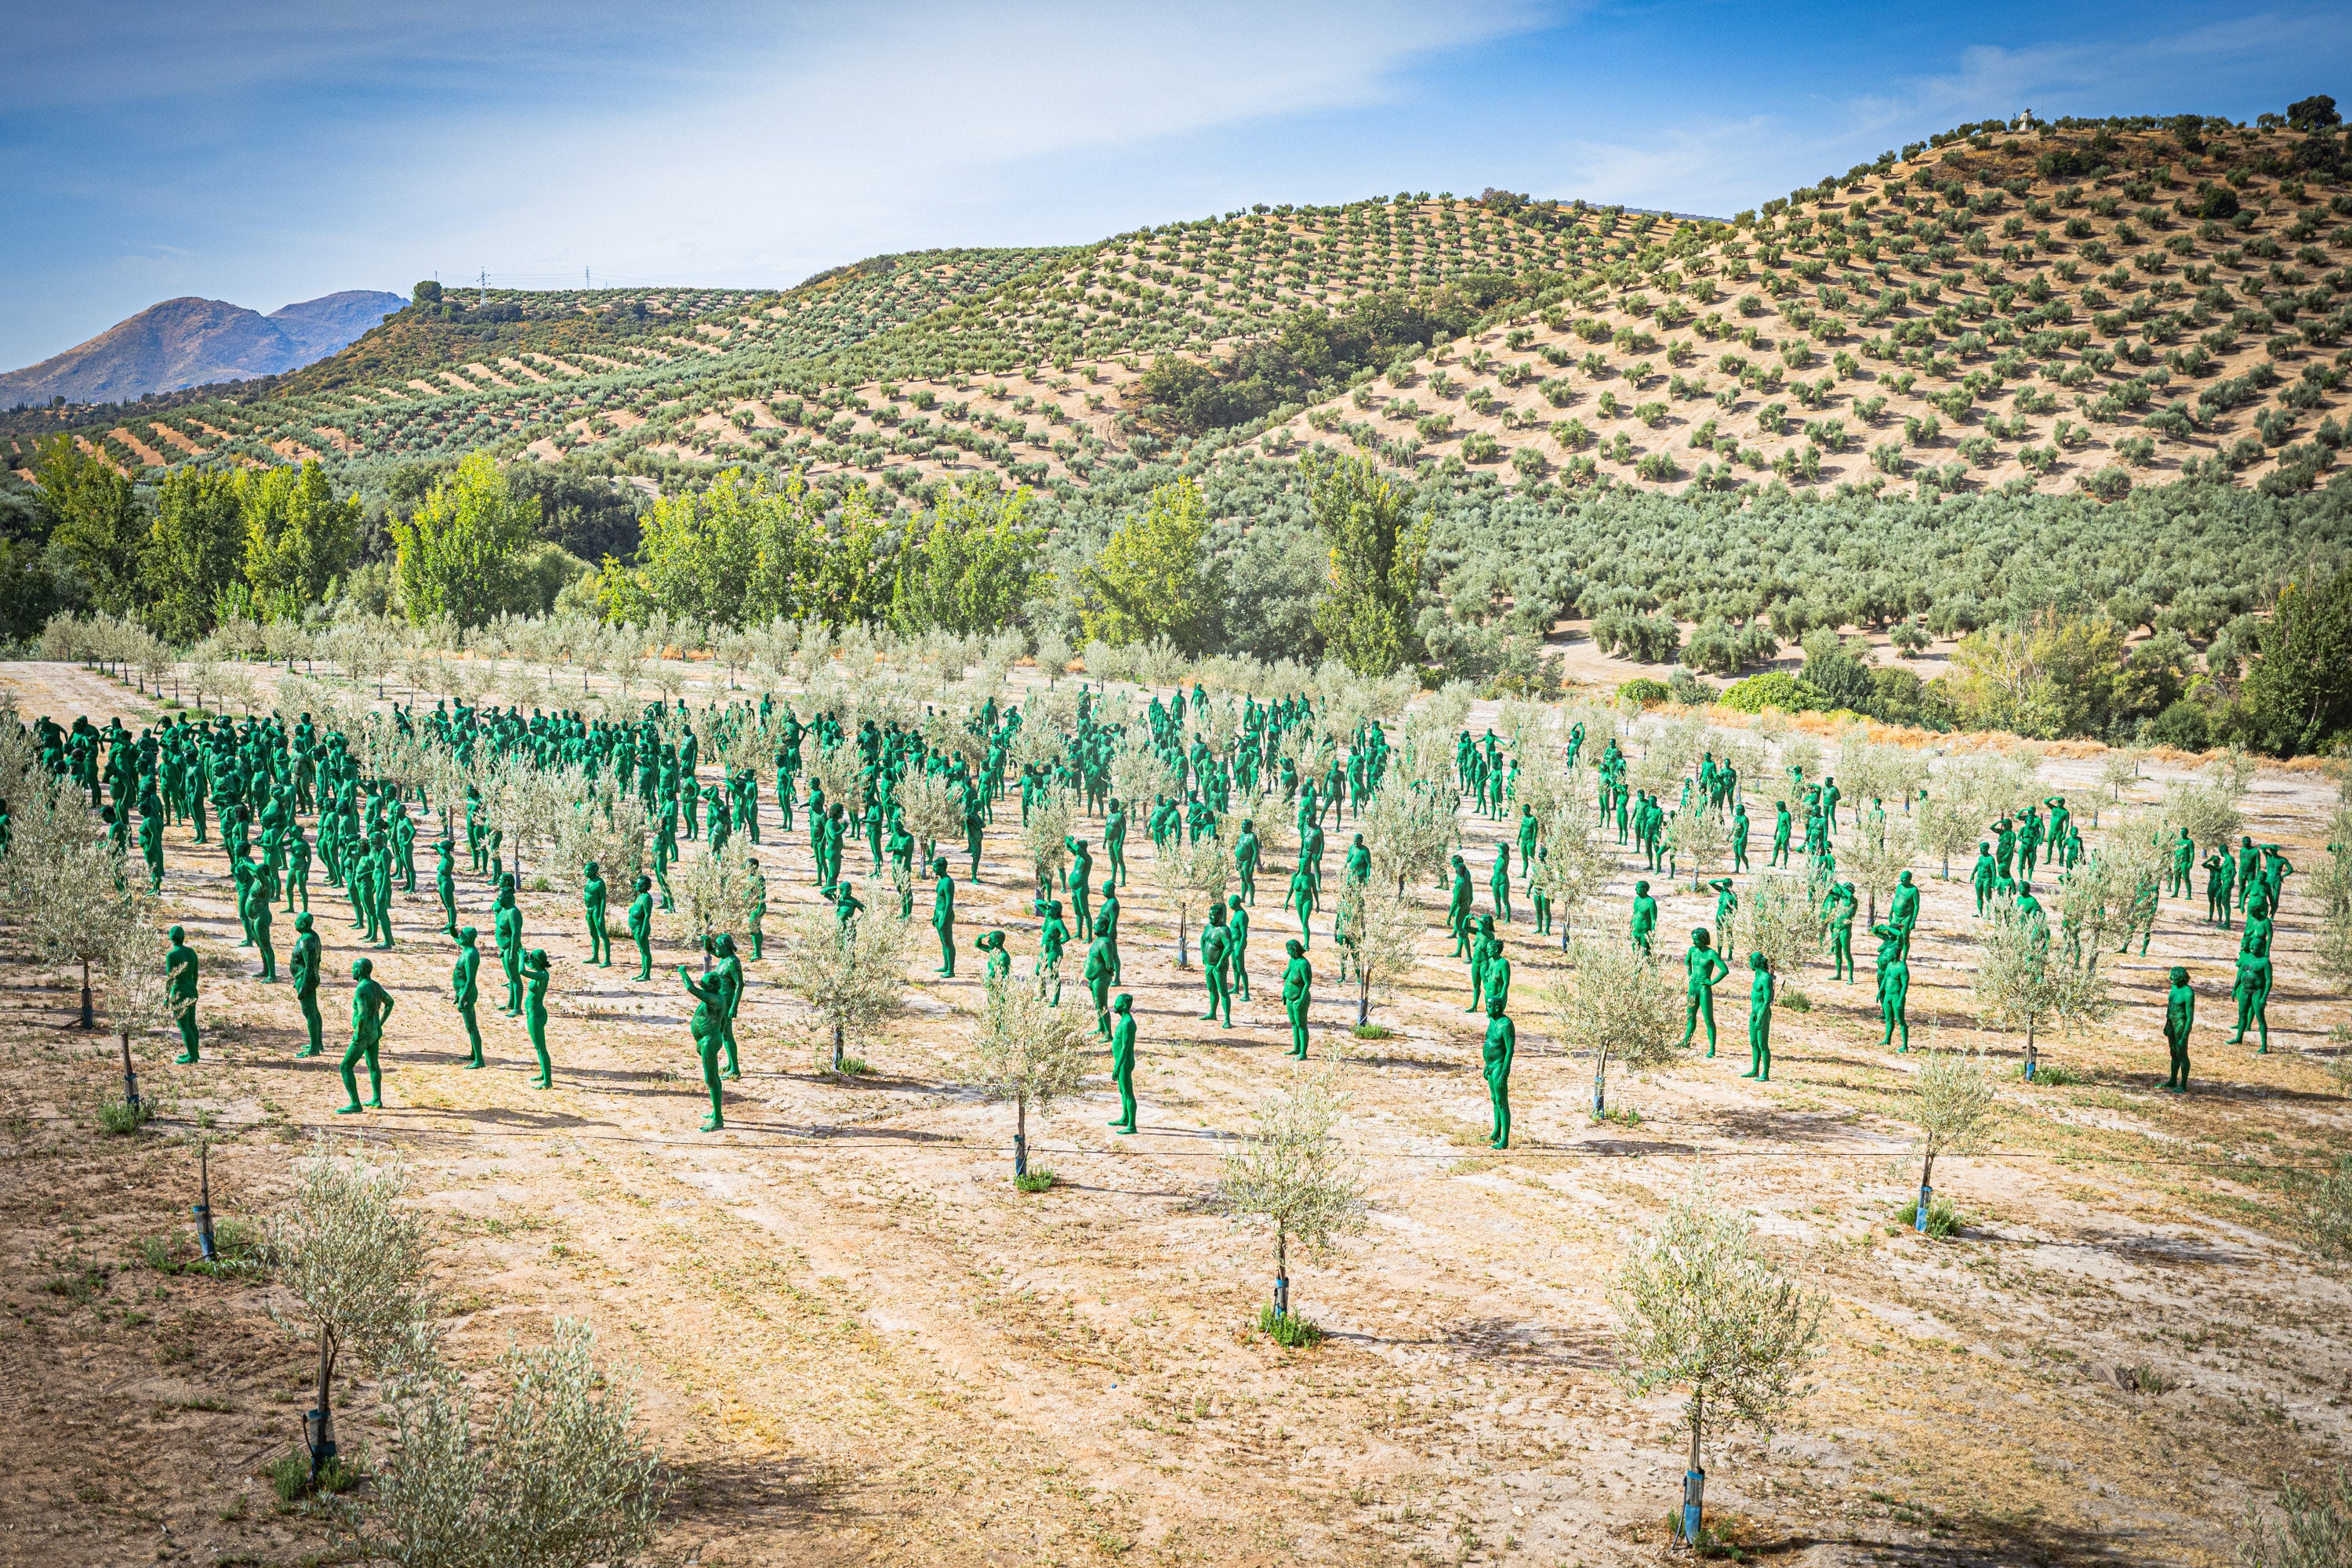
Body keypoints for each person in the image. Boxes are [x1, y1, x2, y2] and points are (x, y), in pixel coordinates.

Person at [335, 957, 396, 1114]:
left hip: (364, 1033)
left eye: (354, 968)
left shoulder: (361, 989)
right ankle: (377, 1099)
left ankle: (355, 1104)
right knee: (373, 1065)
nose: (352, 971)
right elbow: (389, 1002)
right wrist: (380, 1024)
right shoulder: (375, 985)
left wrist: (358, 1034)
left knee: (346, 1066)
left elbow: (362, 1015)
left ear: (360, 970)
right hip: (374, 1031)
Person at [677, 962, 728, 1131]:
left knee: (711, 1079)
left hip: (709, 1041)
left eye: (704, 982)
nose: (701, 983)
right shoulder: (716, 996)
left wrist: (683, 971)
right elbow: (724, 1021)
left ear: (712, 986)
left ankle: (718, 1120)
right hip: (709, 1040)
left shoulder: (714, 998)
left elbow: (691, 988)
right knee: (714, 1078)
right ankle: (716, 1113)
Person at [1679, 927, 1730, 1055]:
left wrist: (1711, 982)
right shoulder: (1692, 950)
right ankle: (1686, 1041)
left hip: (1703, 989)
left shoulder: (1711, 954)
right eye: (1693, 939)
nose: (1694, 942)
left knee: (1708, 1020)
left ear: (1703, 939)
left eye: (1696, 940)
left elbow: (1724, 970)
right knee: (1690, 1017)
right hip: (1692, 988)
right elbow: (1687, 962)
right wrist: (1689, 974)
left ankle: (1712, 1049)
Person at [1483, 995, 1515, 1149]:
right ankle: (1496, 1132)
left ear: (1497, 1007)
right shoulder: (1492, 1021)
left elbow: (1509, 1051)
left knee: (1502, 1102)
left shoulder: (1506, 1025)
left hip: (1499, 1067)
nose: (1486, 1009)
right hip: (1490, 1066)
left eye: (1489, 1006)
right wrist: (1486, 1064)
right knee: (1495, 1099)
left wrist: (1504, 1073)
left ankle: (1505, 1139)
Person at [1873, 920, 1911, 1051]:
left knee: (1900, 1021)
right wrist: (1880, 992)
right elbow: (1885, 980)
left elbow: (1905, 985)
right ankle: (1887, 1039)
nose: (1888, 954)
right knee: (1889, 1019)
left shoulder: (1902, 967)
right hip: (1888, 994)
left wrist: (1901, 999)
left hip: (1896, 996)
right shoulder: (1889, 965)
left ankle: (1905, 1046)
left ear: (1896, 953)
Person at [289, 912, 324, 1058]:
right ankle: (317, 1042)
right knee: (314, 1011)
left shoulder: (305, 941)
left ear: (303, 924)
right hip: (309, 977)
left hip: (305, 978)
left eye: (297, 921)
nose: (295, 923)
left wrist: (303, 986)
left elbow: (309, 965)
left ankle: (314, 1048)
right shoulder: (313, 936)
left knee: (309, 1012)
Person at [452, 926, 485, 1069]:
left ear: (468, 938)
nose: (460, 937)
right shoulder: (466, 948)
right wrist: (452, 929)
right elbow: (456, 939)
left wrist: (462, 998)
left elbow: (470, 981)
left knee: (472, 1027)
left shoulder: (471, 955)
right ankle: (474, 1054)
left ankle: (479, 1060)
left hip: (468, 994)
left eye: (462, 935)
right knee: (469, 1027)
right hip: (462, 993)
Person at [165, 925, 200, 1063]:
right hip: (191, 989)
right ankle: (194, 1052)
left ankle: (191, 1057)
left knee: (184, 1025)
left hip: (179, 991)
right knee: (192, 1023)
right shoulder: (191, 952)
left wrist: (166, 997)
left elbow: (170, 978)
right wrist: (192, 987)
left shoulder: (171, 955)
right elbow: (195, 974)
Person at [1107, 993, 1138, 1134]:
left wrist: (1117, 1066)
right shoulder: (1124, 1021)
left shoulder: (1127, 1024)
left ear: (1124, 1006)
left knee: (1128, 1093)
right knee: (1122, 1091)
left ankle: (1132, 1125)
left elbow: (1125, 1047)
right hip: (1121, 1061)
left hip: (1124, 1062)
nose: (1115, 1005)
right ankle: (1125, 1117)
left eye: (1117, 1003)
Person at [521, 949, 554, 1087]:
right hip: (534, 1012)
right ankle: (543, 1073)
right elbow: (530, 965)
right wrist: (524, 956)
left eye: (531, 958)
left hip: (536, 1013)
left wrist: (521, 960)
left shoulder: (542, 975)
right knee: (538, 1047)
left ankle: (548, 1082)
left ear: (537, 960)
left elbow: (522, 972)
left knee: (541, 1048)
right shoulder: (540, 972)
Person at [1741, 953, 1774, 1080]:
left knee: (1762, 1044)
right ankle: (1755, 1070)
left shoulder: (1766, 978)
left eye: (1750, 961)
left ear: (1755, 963)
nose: (1749, 963)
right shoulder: (1757, 975)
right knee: (1754, 1042)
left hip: (1763, 1014)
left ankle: (1765, 1074)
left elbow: (1767, 1000)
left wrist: (1760, 1018)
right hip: (1754, 1013)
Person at [1200, 902, 1232, 1028]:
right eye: (1209, 915)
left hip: (1219, 966)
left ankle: (1227, 1019)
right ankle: (1212, 1013)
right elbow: (1203, 939)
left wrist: (1221, 961)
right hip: (1209, 964)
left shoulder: (1224, 931)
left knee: (1223, 991)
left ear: (1220, 916)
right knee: (1211, 989)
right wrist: (1203, 954)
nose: (1210, 918)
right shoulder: (1209, 927)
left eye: (1213, 916)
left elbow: (1229, 947)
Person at [2164, 964, 2195, 1092]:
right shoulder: (2174, 987)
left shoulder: (2188, 993)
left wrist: (2184, 1035)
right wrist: (2167, 1023)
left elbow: (2190, 1017)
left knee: (2182, 1053)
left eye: (2173, 976)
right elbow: (2170, 1006)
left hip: (2180, 1024)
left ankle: (2183, 1084)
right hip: (2171, 1022)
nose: (2170, 978)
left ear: (2180, 977)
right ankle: (2172, 1080)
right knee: (2173, 1052)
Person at [1282, 938, 1313, 1059]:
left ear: (1294, 950)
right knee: (1294, 1024)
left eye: (1289, 950)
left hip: (1299, 998)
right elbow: (1287, 978)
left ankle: (1303, 1053)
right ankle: (1296, 1047)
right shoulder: (1292, 961)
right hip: (1289, 998)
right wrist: (1284, 992)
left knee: (1301, 1025)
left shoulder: (1303, 964)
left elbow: (1307, 983)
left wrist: (1301, 999)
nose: (1287, 953)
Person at [931, 858, 956, 977]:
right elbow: (938, 901)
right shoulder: (941, 880)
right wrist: (934, 916)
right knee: (943, 942)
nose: (933, 869)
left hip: (945, 916)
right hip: (939, 915)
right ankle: (946, 966)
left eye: (935, 867)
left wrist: (944, 920)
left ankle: (951, 970)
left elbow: (949, 904)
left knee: (948, 942)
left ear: (941, 867)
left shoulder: (948, 882)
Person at [583, 861, 611, 967]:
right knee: (593, 934)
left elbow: (603, 899)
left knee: (602, 934)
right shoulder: (588, 881)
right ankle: (595, 957)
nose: (585, 872)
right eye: (585, 869)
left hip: (596, 909)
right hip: (589, 910)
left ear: (594, 871)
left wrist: (601, 916)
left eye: (588, 870)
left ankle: (607, 959)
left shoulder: (599, 883)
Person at [628, 875, 655, 981]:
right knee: (642, 951)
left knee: (645, 951)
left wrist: (644, 930)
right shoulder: (640, 896)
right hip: (635, 928)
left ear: (645, 886)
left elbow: (647, 915)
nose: (637, 885)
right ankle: (643, 973)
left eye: (639, 884)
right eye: (637, 884)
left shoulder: (647, 898)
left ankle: (647, 975)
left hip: (641, 928)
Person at [1630, 880, 1657, 956]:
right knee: (1635, 953)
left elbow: (1653, 920)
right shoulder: (1637, 899)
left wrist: (1652, 934)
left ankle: (1651, 967)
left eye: (1638, 888)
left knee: (1646, 953)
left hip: (1645, 932)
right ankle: (1637, 967)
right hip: (1635, 931)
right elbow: (1634, 914)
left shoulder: (1650, 902)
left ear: (1645, 889)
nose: (1636, 889)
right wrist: (1630, 928)